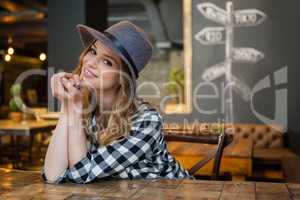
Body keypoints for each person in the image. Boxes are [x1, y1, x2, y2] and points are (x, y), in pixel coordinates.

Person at [41, 20, 195, 184]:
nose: (90, 63)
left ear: (122, 78)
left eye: (107, 62)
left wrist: (75, 108)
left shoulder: (147, 121)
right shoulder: (87, 110)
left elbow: (81, 174)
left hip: (177, 193)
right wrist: (67, 106)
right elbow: (52, 175)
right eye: (93, 51)